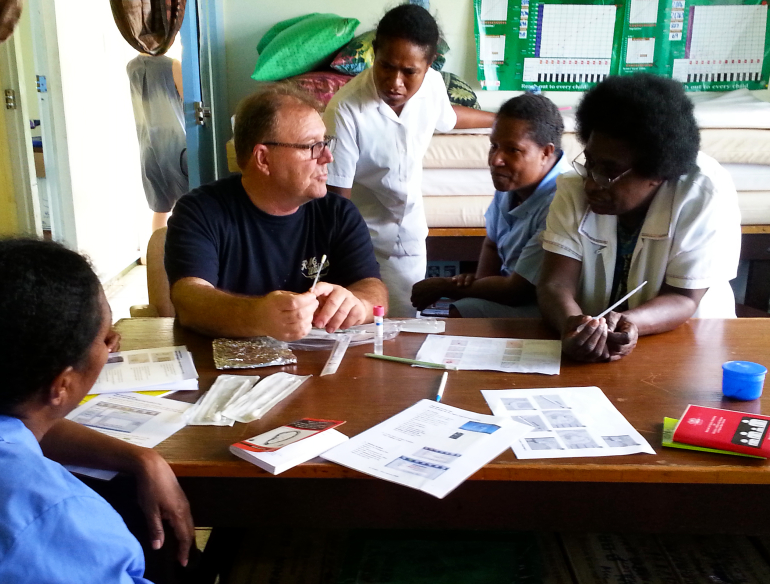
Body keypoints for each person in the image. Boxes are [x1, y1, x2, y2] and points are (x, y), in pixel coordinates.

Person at [0, 238, 194, 583]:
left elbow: (22, 425)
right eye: (105, 337)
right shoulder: (57, 516)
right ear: (62, 384)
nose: (112, 344)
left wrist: (141, 457)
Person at [537, 73, 741, 363]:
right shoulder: (573, 188)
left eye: (609, 170)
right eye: (590, 162)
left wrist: (629, 324)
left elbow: (684, 297)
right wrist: (573, 326)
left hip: (687, 347)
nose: (592, 183)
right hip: (596, 355)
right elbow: (555, 284)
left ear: (657, 173)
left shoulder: (704, 192)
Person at [165, 85, 387, 341]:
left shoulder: (339, 213)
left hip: (320, 370)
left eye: (325, 143)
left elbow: (373, 288)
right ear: (263, 159)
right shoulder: (200, 211)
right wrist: (257, 315)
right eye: (311, 146)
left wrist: (358, 305)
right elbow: (190, 300)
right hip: (222, 371)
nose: (327, 157)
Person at [323, 3, 495, 317]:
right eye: (386, 66)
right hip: (365, 245)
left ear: (429, 65)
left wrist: (501, 119)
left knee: (405, 331)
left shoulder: (431, 85)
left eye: (409, 72)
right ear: (375, 52)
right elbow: (337, 206)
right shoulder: (345, 110)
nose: (395, 82)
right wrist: (349, 271)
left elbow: (449, 117)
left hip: (412, 236)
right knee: (366, 333)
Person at [411, 93, 571, 317]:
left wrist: (447, 286)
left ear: (546, 152)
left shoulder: (562, 200)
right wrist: (478, 286)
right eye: (494, 146)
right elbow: (492, 244)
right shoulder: (511, 183)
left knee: (461, 312)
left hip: (543, 307)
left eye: (513, 150)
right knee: (467, 306)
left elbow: (516, 291)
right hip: (511, 294)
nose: (496, 160)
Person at [127, 53, 188, 233]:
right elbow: (192, 100)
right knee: (185, 205)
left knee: (160, 208)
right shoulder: (172, 65)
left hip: (147, 146)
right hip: (174, 145)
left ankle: (158, 257)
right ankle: (181, 253)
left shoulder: (132, 66)